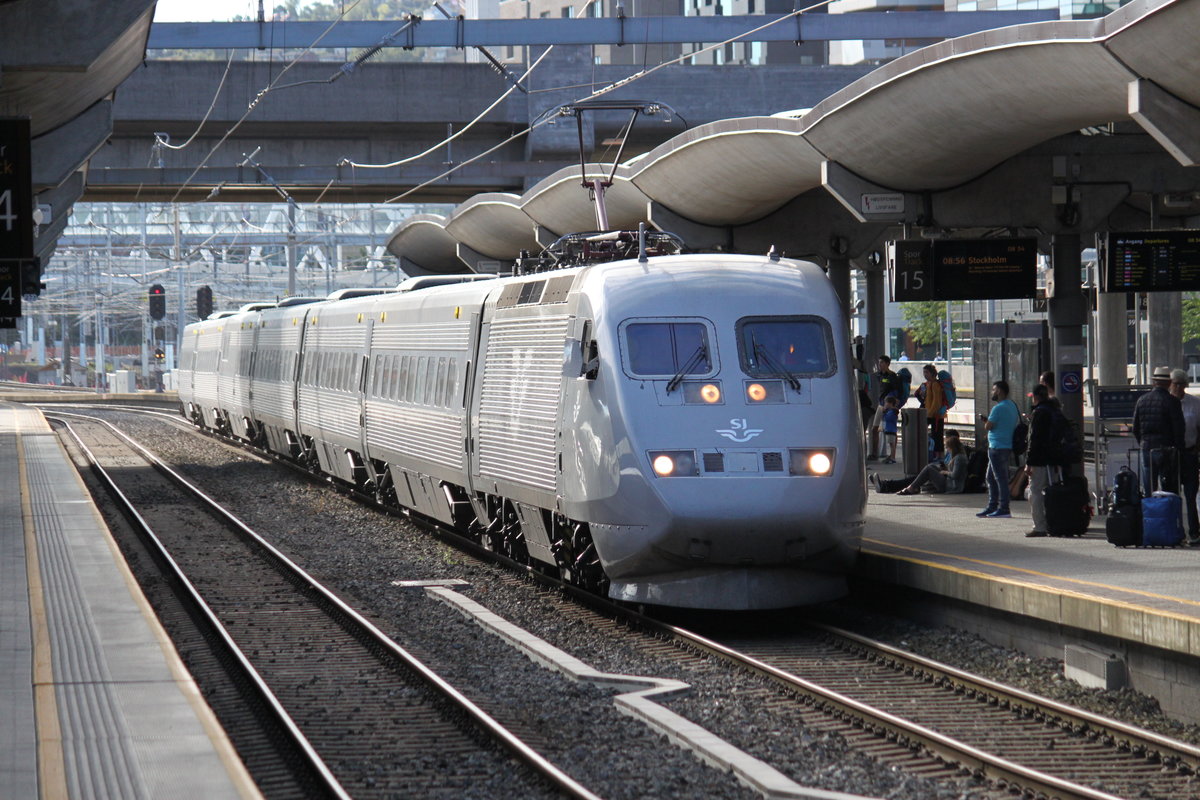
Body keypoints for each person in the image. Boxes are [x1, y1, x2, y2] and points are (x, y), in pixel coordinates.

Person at [1132, 365, 1185, 494]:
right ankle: (1165, 506)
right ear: (1169, 383)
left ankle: (1150, 505)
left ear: (1154, 382)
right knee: (1168, 487)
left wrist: (1143, 442)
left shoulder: (1141, 400)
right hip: (1166, 449)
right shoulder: (1173, 402)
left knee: (1149, 487)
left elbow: (1135, 428)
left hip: (1147, 448)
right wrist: (1179, 448)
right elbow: (1179, 428)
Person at [1023, 384, 1064, 537]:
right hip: (1055, 459)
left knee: (1035, 492)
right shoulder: (1055, 410)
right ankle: (1055, 523)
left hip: (1040, 460)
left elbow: (1034, 440)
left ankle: (1040, 527)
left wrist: (1029, 463)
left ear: (1035, 397)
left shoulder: (1039, 413)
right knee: (1052, 491)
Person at [976, 379, 1019, 519]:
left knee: (1000, 479)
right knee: (991, 477)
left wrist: (986, 422)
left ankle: (1004, 508)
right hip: (1006, 446)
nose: (992, 392)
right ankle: (992, 506)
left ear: (999, 391)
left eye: (994, 390)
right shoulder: (1012, 405)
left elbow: (988, 426)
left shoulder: (998, 408)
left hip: (997, 447)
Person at [1169, 368, 1200, 544]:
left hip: (1189, 454)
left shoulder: (1195, 404)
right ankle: (1175, 531)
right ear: (1170, 384)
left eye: (1182, 384)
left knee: (1190, 495)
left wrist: (1197, 448)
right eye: (1176, 384)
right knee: (1172, 495)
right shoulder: (1166, 403)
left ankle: (1194, 532)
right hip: (1172, 456)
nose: (1179, 387)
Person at [896, 429, 967, 495]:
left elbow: (955, 475)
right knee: (931, 466)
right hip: (949, 482)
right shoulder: (957, 456)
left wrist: (945, 472)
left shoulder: (959, 458)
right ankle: (915, 487)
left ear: (952, 447)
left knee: (929, 469)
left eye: (948, 447)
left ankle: (912, 488)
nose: (947, 449)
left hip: (951, 486)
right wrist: (944, 469)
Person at [868, 355, 901, 461]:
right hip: (881, 404)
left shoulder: (892, 376)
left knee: (891, 430)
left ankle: (892, 455)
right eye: (879, 362)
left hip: (889, 405)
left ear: (887, 364)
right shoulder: (879, 375)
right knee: (875, 428)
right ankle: (874, 453)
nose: (880, 364)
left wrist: (891, 405)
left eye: (882, 362)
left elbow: (896, 391)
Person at [916, 363, 947, 460]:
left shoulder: (935, 384)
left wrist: (929, 414)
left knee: (937, 435)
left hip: (936, 415)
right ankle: (936, 454)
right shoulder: (928, 384)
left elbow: (937, 402)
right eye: (924, 372)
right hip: (931, 413)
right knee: (935, 434)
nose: (925, 374)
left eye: (927, 372)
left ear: (932, 373)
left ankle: (939, 455)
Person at [881, 395, 899, 464]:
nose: (885, 405)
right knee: (891, 444)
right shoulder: (892, 411)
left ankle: (892, 457)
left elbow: (887, 418)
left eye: (886, 403)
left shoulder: (892, 412)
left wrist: (884, 412)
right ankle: (891, 456)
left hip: (891, 430)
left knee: (892, 444)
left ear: (890, 403)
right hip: (890, 429)